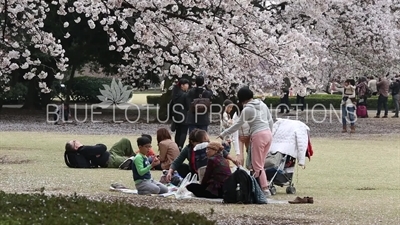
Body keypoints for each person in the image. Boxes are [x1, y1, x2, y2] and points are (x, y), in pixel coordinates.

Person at [218, 87, 274, 196]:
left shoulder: (247, 109)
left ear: (242, 99)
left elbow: (237, 125)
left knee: (256, 164)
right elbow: (270, 120)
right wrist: (270, 133)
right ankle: (263, 186)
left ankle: (264, 188)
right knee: (261, 163)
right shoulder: (262, 104)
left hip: (258, 135)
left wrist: (223, 134)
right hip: (268, 134)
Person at [166, 129, 237, 182]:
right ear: (193, 142)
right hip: (194, 173)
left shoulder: (208, 147)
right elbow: (177, 161)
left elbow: (223, 152)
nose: (204, 144)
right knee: (181, 167)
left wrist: (233, 159)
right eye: (201, 142)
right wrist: (170, 172)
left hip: (208, 172)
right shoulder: (188, 149)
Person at [65, 138, 135, 168]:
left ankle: (137, 156)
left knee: (124, 141)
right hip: (110, 160)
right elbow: (103, 147)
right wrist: (97, 149)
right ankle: (140, 159)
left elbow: (100, 149)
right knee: (131, 160)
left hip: (111, 153)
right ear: (75, 147)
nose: (76, 140)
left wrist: (98, 151)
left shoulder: (83, 150)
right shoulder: (84, 150)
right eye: (74, 141)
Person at [171, 78, 190, 149]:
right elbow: (188, 106)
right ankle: (180, 146)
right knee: (183, 132)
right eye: (186, 84)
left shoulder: (175, 93)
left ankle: (176, 145)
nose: (187, 86)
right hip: (184, 115)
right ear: (182, 85)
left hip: (176, 115)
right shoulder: (185, 95)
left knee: (178, 131)